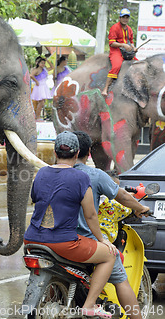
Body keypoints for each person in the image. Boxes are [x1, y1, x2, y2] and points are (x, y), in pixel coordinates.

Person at [24, 131, 117, 318]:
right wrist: (103, 240)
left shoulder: (41, 173)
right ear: (77, 154)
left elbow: (36, 199)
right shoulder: (81, 178)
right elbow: (90, 215)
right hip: (63, 243)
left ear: (55, 152)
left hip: (31, 240)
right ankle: (89, 305)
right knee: (109, 255)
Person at [73, 130, 149, 319]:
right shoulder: (95, 175)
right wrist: (140, 207)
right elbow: (121, 197)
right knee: (117, 272)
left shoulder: (50, 172)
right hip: (84, 240)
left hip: (54, 236)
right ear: (88, 151)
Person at [101, 8, 136, 97]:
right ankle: (105, 88)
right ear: (119, 18)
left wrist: (133, 47)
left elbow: (131, 42)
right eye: (123, 17)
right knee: (116, 66)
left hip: (126, 52)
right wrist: (123, 45)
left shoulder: (129, 29)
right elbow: (112, 43)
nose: (125, 19)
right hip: (116, 51)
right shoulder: (114, 27)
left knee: (137, 63)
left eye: (126, 17)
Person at [30, 56, 52, 121]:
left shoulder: (44, 69)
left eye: (44, 63)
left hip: (44, 86)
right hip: (39, 87)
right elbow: (31, 75)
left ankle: (37, 116)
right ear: (38, 63)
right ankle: (37, 117)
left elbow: (52, 67)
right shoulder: (36, 69)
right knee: (41, 103)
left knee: (42, 102)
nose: (43, 64)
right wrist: (36, 81)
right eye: (42, 63)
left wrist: (47, 60)